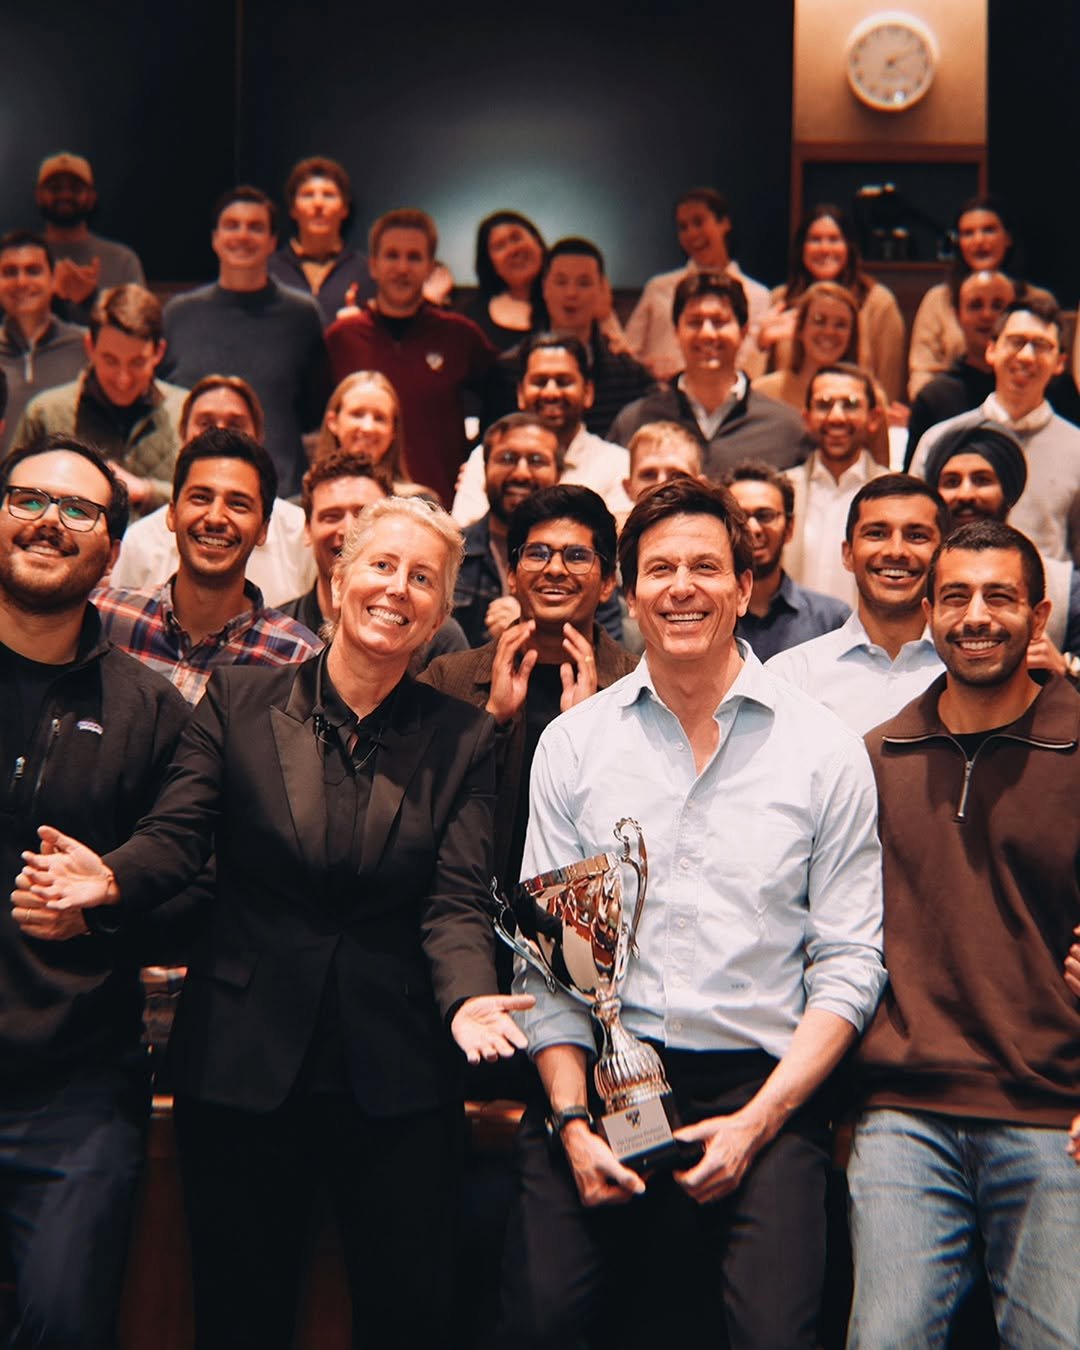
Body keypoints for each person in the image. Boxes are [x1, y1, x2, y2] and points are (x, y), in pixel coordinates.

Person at [16, 494, 534, 1350]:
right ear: (338, 578)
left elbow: (455, 900)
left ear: (442, 609)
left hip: (401, 1077)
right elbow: (179, 834)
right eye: (381, 565)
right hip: (241, 1064)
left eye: (422, 579)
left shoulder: (466, 737)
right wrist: (110, 877)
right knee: (238, 1319)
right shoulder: (239, 699)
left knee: (409, 1320)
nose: (396, 589)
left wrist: (467, 997)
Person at [497, 475, 885, 1348]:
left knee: (773, 1334)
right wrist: (570, 1122)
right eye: (660, 569)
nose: (682, 588)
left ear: (744, 588)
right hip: (605, 1077)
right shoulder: (575, 745)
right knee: (543, 1320)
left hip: (764, 1083)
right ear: (628, 594)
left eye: (706, 568)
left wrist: (760, 1121)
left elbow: (850, 964)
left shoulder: (823, 750)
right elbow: (549, 966)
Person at [848, 519, 1080, 1348]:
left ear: (1038, 614)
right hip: (902, 1113)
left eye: (999, 597)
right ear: (929, 613)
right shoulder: (877, 757)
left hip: (1055, 1114)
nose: (975, 616)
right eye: (955, 597)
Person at [1, 436, 189, 1347]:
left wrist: (103, 910)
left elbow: (198, 885)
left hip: (71, 1092)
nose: (48, 520)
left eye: (78, 510)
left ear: (112, 552)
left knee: (64, 1324)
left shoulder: (150, 709)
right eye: (28, 498)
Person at [423, 484, 636, 899]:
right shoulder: (449, 679)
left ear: (608, 582)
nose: (554, 569)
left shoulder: (635, 687)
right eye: (537, 553)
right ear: (512, 575)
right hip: (466, 911)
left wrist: (589, 735)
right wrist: (491, 720)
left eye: (577, 556)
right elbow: (418, 804)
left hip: (591, 922)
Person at [92, 427, 319, 704]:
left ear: (263, 529)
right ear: (172, 513)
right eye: (200, 497)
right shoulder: (104, 618)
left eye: (238, 504)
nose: (215, 518)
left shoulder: (297, 659)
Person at [161, 186, 331, 499]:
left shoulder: (302, 315)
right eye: (232, 225)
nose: (242, 235)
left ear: (273, 241)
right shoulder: (178, 314)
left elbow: (314, 413)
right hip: (194, 491)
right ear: (215, 238)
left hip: (281, 495)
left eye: (255, 227)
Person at [325, 207, 495, 508]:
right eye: (392, 256)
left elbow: (502, 398)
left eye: (414, 257)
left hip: (438, 506)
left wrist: (479, 459)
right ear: (373, 265)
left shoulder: (460, 336)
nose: (402, 268)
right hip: (355, 505)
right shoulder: (342, 338)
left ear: (430, 267)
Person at [106, 375, 316, 606]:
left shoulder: (300, 533)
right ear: (182, 434)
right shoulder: (140, 541)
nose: (219, 432)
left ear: (259, 436)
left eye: (235, 424)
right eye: (206, 423)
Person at [767, 474, 947, 734]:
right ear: (848, 554)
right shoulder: (791, 676)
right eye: (876, 534)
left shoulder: (967, 670)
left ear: (943, 557)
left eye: (916, 536)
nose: (896, 551)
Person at [910, 295, 1080, 566]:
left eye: (1041, 345)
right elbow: (916, 531)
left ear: (1060, 362)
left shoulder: (1076, 447)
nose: (1026, 356)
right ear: (991, 350)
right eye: (1016, 341)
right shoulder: (940, 440)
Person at [277, 449, 467, 669]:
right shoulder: (277, 633)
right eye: (332, 516)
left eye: (364, 515)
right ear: (308, 529)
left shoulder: (441, 638)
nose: (349, 530)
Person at [608, 271, 805, 477]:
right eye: (695, 322)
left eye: (719, 321)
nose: (707, 333)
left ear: (744, 331)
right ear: (676, 332)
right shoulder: (635, 421)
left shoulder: (786, 428)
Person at [13, 284, 185, 517]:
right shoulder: (45, 412)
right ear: (90, 347)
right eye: (110, 360)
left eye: (137, 362)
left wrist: (148, 492)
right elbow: (13, 495)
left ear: (159, 352)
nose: (123, 379)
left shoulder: (187, 411)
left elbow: (210, 495)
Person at [921, 417, 1080, 668]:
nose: (965, 494)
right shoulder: (914, 577)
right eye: (952, 482)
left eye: (982, 480)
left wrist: (1064, 668)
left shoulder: (1065, 586)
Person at [454, 333, 633, 524]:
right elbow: (466, 531)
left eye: (563, 382)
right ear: (520, 393)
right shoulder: (489, 457)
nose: (551, 393)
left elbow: (619, 537)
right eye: (540, 382)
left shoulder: (618, 463)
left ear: (588, 392)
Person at [758, 203, 905, 406]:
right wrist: (761, 343)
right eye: (815, 240)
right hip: (786, 412)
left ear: (849, 247)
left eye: (834, 239)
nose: (824, 249)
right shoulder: (780, 300)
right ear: (801, 248)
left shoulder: (879, 302)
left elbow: (888, 385)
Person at [907, 195, 1048, 398]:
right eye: (968, 233)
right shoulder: (938, 300)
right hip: (953, 405)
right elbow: (922, 371)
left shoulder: (1037, 300)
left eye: (989, 230)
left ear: (1008, 238)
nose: (979, 241)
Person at [625, 186, 770, 381]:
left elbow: (753, 363)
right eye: (683, 227)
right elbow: (628, 352)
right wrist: (647, 369)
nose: (692, 233)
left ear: (724, 223)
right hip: (660, 393)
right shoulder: (659, 288)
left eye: (698, 222)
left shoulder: (757, 295)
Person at [782, 363, 890, 607]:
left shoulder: (895, 495)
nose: (836, 417)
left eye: (850, 405)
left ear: (873, 418)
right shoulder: (784, 490)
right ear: (807, 418)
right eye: (824, 405)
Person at [752, 282, 890, 465]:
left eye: (841, 325)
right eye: (819, 320)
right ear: (800, 328)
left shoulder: (872, 397)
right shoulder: (764, 392)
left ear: (852, 335)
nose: (829, 331)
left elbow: (881, 468)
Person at [452, 412, 560, 646]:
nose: (521, 473)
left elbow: (607, 652)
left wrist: (535, 630)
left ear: (559, 474)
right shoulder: (451, 553)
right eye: (508, 459)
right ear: (485, 469)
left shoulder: (582, 560)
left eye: (536, 460)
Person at [726, 461, 849, 661]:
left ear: (790, 528)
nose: (753, 528)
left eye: (765, 516)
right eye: (739, 517)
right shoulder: (706, 617)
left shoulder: (831, 620)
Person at [905, 269, 1015, 459]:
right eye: (975, 305)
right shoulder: (934, 398)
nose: (987, 314)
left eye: (998, 306)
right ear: (957, 315)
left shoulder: (1037, 390)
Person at [34, 152, 145, 327]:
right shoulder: (16, 261)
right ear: (39, 196)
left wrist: (90, 300)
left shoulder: (122, 261)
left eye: (76, 189)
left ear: (92, 197)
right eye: (55, 189)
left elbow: (140, 329)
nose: (65, 195)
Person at [0, 230, 87, 451]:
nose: (21, 282)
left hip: (69, 470)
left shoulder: (85, 346)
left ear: (54, 278)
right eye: (9, 272)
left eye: (33, 271)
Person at [267, 156, 374, 328]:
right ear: (293, 209)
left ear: (345, 209)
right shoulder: (268, 272)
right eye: (308, 195)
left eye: (329, 195)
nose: (318, 204)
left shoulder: (368, 273)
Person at [313, 369, 434, 497]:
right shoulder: (304, 505)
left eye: (379, 418)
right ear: (333, 422)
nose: (368, 427)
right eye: (357, 414)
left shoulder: (418, 503)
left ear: (393, 431)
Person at [464, 210, 547, 350]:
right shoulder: (472, 319)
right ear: (490, 264)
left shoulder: (570, 302)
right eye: (500, 246)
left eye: (516, 238)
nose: (513, 250)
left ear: (537, 242)